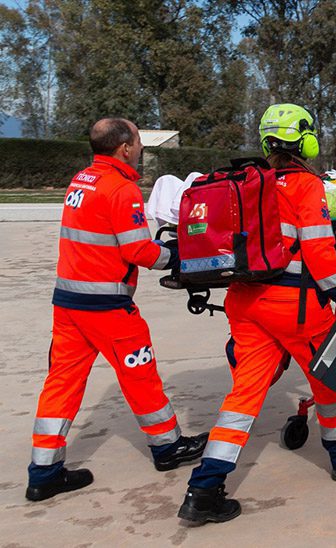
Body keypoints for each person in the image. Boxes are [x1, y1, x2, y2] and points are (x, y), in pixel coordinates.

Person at [178, 104, 336, 524]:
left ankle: (204, 489)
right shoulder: (306, 186)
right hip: (294, 307)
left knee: (243, 397)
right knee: (330, 378)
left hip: (244, 301)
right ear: (305, 141)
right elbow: (319, 252)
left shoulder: (251, 182)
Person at [27, 118, 208, 502]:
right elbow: (138, 251)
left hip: (68, 303)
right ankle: (167, 448)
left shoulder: (81, 181)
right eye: (139, 141)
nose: (141, 148)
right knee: (140, 375)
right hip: (107, 306)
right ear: (125, 147)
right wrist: (179, 257)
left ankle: (43, 471)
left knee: (62, 382)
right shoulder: (120, 190)